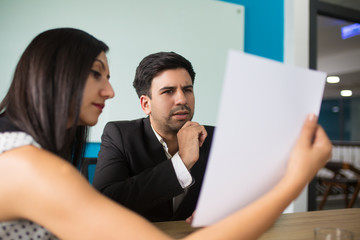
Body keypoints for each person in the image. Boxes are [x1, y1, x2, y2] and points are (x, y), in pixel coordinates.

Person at [0, 28, 332, 240]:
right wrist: (296, 179)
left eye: (187, 89)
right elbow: (106, 199)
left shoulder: (26, 151)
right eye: (95, 74)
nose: (110, 91)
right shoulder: (27, 165)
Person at [92, 52, 215, 222]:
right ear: (145, 104)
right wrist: (182, 162)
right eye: (168, 91)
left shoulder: (215, 138)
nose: (182, 99)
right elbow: (103, 203)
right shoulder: (120, 135)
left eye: (187, 90)